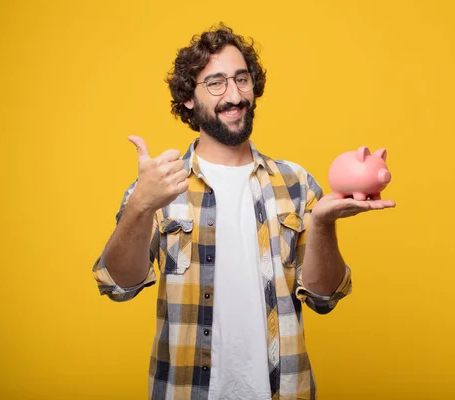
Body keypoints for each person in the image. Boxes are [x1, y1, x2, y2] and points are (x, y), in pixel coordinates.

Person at [92, 23, 395, 400]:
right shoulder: (159, 186)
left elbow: (323, 297)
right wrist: (140, 204)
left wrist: (321, 223)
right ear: (188, 97)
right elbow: (118, 286)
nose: (234, 95)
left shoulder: (296, 183)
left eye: (242, 79)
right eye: (216, 83)